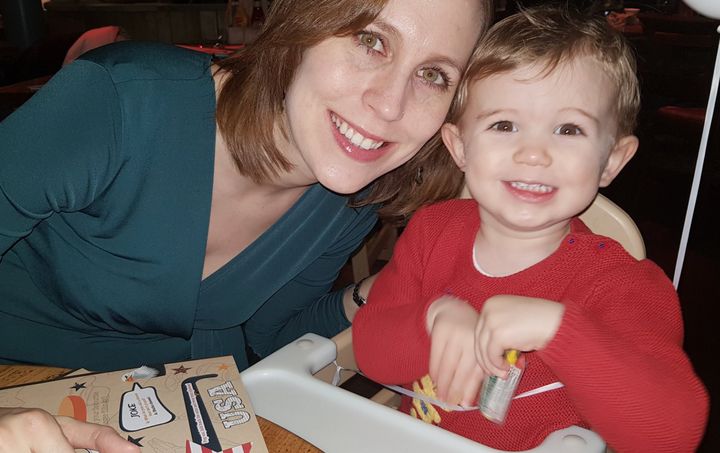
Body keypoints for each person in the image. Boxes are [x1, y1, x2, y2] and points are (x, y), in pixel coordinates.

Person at [0, 0, 493, 450]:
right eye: (370, 40)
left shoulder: (351, 199)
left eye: (433, 75)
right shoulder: (119, 102)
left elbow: (275, 334)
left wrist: (387, 286)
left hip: (196, 412)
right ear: (299, 23)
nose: (390, 106)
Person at [353, 5, 709, 453]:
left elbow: (671, 436)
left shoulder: (625, 286)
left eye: (568, 129)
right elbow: (369, 349)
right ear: (460, 147)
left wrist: (560, 331)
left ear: (612, 161)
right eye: (504, 124)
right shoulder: (431, 232)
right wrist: (433, 318)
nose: (534, 154)